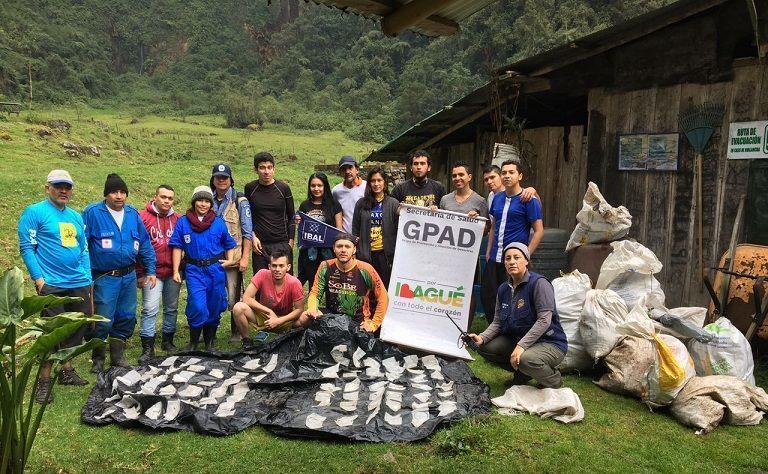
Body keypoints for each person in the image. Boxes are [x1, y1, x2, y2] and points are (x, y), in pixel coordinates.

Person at [18, 170, 93, 402]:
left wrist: (88, 278)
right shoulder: (35, 212)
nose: (64, 190)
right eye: (58, 186)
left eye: (68, 187)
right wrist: (39, 280)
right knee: (51, 333)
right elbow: (27, 247)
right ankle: (44, 380)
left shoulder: (75, 216)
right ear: (47, 187)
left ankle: (67, 371)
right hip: (52, 284)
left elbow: (83, 250)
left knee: (75, 328)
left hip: (79, 282)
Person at [82, 173, 156, 372]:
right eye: (114, 192)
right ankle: (97, 359)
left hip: (128, 276)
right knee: (103, 318)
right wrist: (85, 275)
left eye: (122, 192)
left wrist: (150, 269)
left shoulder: (132, 214)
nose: (119, 196)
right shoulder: (93, 213)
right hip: (105, 276)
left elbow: (145, 244)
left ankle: (118, 356)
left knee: (126, 316)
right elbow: (82, 246)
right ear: (106, 194)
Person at [468, 242, 567, 389]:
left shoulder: (539, 284)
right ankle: (523, 374)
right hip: (521, 341)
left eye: (516, 257)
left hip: (549, 342)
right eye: (508, 258)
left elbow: (544, 320)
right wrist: (481, 337)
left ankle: (553, 381)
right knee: (485, 347)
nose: (512, 262)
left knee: (527, 359)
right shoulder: (503, 289)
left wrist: (521, 346)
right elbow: (497, 322)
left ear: (526, 260)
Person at [170, 186, 237, 351]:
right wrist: (175, 270)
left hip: (215, 270)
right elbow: (177, 246)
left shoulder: (218, 223)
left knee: (214, 305)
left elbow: (229, 243)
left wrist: (229, 261)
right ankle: (193, 342)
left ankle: (210, 344)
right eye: (200, 200)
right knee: (197, 305)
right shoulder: (183, 222)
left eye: (207, 201)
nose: (203, 204)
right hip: (194, 270)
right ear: (194, 202)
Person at [482, 160, 544, 322]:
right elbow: (494, 227)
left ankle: (509, 333)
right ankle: (491, 331)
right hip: (494, 257)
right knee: (488, 296)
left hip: (513, 260)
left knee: (511, 298)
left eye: (511, 172)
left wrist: (526, 255)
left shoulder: (528, 199)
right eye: (504, 172)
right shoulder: (497, 198)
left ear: (520, 176)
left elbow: (539, 231)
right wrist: (488, 252)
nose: (507, 175)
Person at [297, 233, 388, 333]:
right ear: (334, 249)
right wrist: (312, 308)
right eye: (339, 246)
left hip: (358, 320)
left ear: (354, 250)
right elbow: (315, 293)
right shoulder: (325, 266)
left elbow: (383, 297)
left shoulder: (366, 269)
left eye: (347, 246)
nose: (343, 250)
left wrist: (373, 324)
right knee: (304, 318)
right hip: (332, 315)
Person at [439, 162, 489, 328]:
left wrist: (477, 222)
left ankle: (465, 328)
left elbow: (487, 229)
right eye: (454, 175)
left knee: (467, 291)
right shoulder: (445, 200)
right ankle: (446, 324)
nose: (457, 178)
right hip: (447, 255)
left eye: (461, 175)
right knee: (446, 288)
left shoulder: (480, 201)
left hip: (469, 256)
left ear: (469, 177)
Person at [137, 184, 181, 363]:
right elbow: (137, 246)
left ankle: (168, 341)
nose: (167, 201)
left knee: (171, 308)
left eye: (170, 198)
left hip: (172, 271)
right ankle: (148, 347)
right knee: (150, 308)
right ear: (155, 197)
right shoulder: (142, 217)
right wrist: (140, 272)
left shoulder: (177, 219)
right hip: (151, 272)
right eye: (163, 197)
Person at [210, 162, 253, 343]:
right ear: (213, 179)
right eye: (218, 177)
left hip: (233, 255)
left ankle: (236, 330)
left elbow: (247, 231)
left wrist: (244, 257)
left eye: (225, 177)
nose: (221, 180)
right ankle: (210, 328)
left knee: (233, 294)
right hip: (211, 256)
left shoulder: (240, 201)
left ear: (230, 180)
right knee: (213, 292)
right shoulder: (206, 199)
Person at [232, 250, 304, 347]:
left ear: (288, 267)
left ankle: (298, 339)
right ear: (269, 267)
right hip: (264, 317)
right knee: (238, 307)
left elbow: (299, 309)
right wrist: (269, 311)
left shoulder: (294, 283)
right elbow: (246, 298)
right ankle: (247, 341)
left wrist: (279, 321)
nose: (277, 269)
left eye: (281, 266)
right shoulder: (262, 274)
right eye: (274, 266)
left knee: (307, 317)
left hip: (285, 320)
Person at [244, 152, 295, 274]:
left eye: (269, 167)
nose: (266, 172)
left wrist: (290, 243)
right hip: (260, 246)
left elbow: (291, 215)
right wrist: (252, 236)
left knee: (284, 285)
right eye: (262, 168)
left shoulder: (283, 188)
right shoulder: (250, 188)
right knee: (261, 285)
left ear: (274, 169)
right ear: (255, 169)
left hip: (282, 243)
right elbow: (246, 216)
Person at [351, 167, 399, 287]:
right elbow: (355, 229)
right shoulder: (361, 204)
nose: (376, 184)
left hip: (386, 255)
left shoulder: (393, 203)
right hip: (366, 254)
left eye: (379, 180)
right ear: (369, 183)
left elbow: (399, 229)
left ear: (385, 182)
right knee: (367, 287)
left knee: (384, 288)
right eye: (373, 180)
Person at [296, 172, 343, 286]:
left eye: (319, 185)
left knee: (330, 285)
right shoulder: (305, 205)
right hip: (309, 253)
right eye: (313, 186)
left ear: (325, 186)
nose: (316, 188)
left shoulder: (334, 204)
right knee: (313, 285)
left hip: (328, 253)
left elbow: (339, 230)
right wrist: (298, 221)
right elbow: (302, 230)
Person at [331, 155, 366, 233]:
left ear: (357, 169)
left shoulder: (367, 187)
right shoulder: (336, 191)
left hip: (364, 236)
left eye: (350, 168)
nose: (347, 172)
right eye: (344, 169)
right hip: (345, 238)